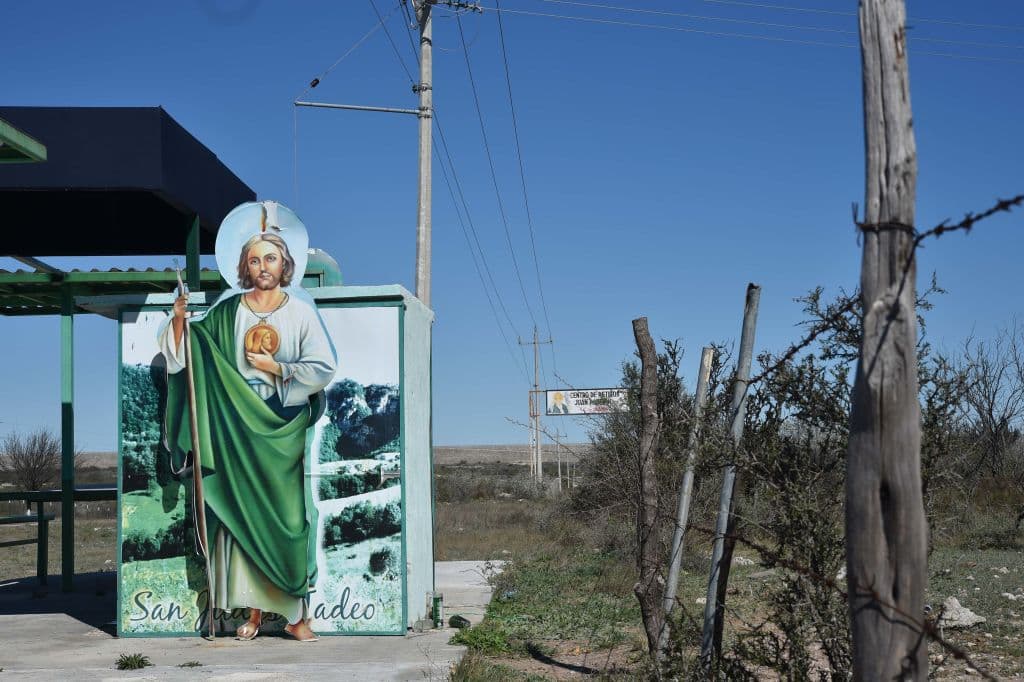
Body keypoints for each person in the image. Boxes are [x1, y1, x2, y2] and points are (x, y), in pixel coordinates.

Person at [160, 231, 336, 642]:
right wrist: (182, 320)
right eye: (255, 261)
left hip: (281, 426)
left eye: (271, 259)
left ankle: (295, 617)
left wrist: (276, 368)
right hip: (236, 427)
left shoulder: (301, 313)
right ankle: (255, 616)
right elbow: (195, 351)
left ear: (285, 264)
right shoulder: (228, 312)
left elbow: (323, 367)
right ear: (245, 267)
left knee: (289, 521)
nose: (263, 268)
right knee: (242, 522)